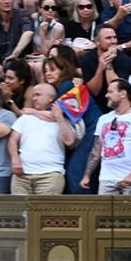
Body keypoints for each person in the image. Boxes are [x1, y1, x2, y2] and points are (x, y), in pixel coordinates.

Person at [46, 52, 101, 194]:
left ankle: (84, 212)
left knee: (76, 171)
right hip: (85, 132)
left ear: (63, 69)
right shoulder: (64, 86)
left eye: (52, 69)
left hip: (92, 130)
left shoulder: (67, 85)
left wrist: (30, 112)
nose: (48, 74)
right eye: (45, 71)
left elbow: (54, 113)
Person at [8, 83, 78, 195]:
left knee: (45, 212)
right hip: (22, 175)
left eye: (38, 95)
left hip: (50, 175)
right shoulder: (26, 117)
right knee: (19, 212)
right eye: (33, 95)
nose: (34, 98)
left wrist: (59, 117)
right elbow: (12, 140)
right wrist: (15, 159)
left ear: (51, 98)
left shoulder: (62, 119)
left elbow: (70, 141)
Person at [81, 79, 131, 194]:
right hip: (106, 178)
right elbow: (96, 151)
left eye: (110, 92)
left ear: (123, 94)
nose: (107, 95)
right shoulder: (103, 119)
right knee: (104, 212)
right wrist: (87, 175)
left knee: (130, 212)